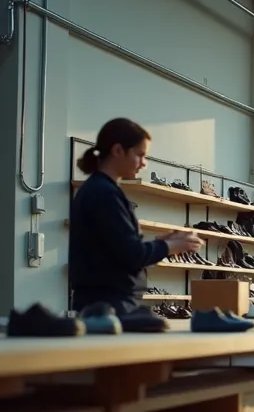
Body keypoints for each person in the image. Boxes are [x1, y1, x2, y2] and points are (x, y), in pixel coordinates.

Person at [69, 118, 202, 316]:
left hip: (106, 305)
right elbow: (132, 255)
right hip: (109, 307)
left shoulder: (101, 190)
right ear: (118, 151)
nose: (144, 163)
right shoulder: (104, 194)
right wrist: (172, 246)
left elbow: (117, 251)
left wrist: (163, 243)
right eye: (140, 155)